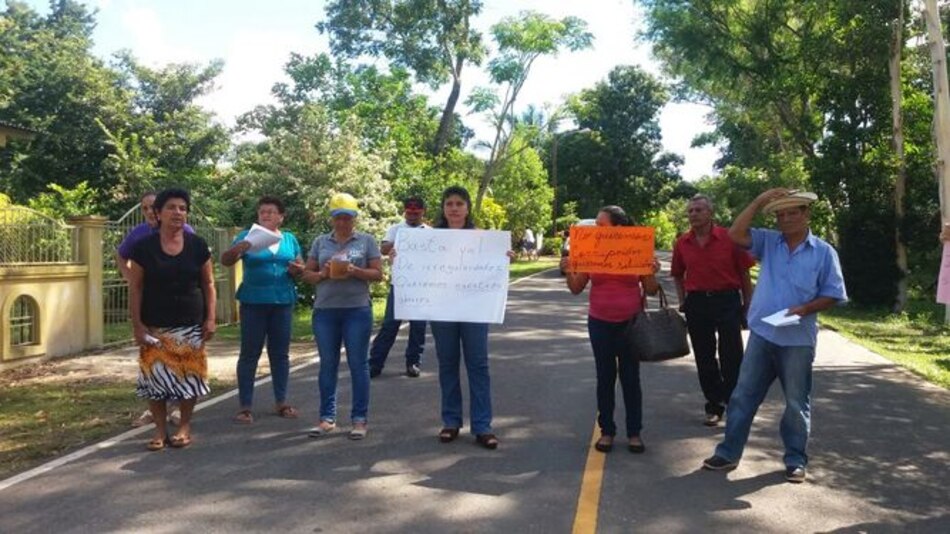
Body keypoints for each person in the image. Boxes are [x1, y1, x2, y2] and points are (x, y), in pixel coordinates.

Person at [702, 188, 847, 483]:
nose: (786, 219)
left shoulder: (823, 252)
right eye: (780, 214)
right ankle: (728, 453)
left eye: (793, 212)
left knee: (796, 403)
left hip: (797, 340)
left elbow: (834, 294)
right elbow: (735, 234)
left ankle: (795, 460)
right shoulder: (769, 242)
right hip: (763, 334)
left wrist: (806, 308)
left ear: (807, 215)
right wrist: (758, 200)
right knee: (743, 396)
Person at [559, 206, 659, 454]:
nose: (596, 229)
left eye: (601, 225)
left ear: (618, 228)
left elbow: (652, 289)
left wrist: (650, 271)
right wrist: (568, 269)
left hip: (630, 324)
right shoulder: (591, 251)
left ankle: (634, 432)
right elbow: (575, 288)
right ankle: (607, 431)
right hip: (600, 322)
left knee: (630, 378)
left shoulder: (636, 249)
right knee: (605, 377)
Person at [128, 188, 216, 451]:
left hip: (191, 324)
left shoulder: (198, 245)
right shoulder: (143, 248)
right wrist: (138, 325)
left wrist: (211, 318)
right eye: (171, 208)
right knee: (155, 380)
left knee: (189, 378)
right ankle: (158, 430)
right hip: (155, 324)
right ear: (158, 213)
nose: (178, 213)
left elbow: (208, 283)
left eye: (182, 208)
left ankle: (184, 426)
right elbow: (136, 288)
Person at [430, 186, 513, 450]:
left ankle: (483, 426)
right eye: (449, 203)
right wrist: (401, 256)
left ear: (467, 208)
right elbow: (419, 270)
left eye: (459, 203)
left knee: (478, 365)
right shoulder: (430, 239)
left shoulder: (482, 238)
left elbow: (494, 266)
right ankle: (451, 421)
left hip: (475, 309)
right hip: (442, 310)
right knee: (447, 364)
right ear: (443, 208)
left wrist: (504, 258)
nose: (454, 208)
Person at [300, 193, 382, 440]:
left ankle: (359, 419)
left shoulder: (366, 241)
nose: (343, 222)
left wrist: (355, 271)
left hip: (357, 309)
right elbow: (307, 275)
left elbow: (378, 274)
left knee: (358, 364)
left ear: (355, 218)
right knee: (328, 364)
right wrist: (324, 273)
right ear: (332, 219)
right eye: (338, 218)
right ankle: (326, 418)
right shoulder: (321, 242)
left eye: (347, 217)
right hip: (325, 310)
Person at [671, 194, 754, 426]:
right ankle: (714, 405)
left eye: (698, 210)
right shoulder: (682, 243)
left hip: (727, 301)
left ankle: (734, 404)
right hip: (697, 303)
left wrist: (748, 304)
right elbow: (677, 273)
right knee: (704, 356)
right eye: (690, 211)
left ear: (710, 213)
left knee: (732, 355)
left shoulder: (729, 238)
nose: (693, 214)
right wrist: (683, 300)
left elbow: (744, 273)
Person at [220, 196, 304, 424]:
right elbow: (225, 260)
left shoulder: (289, 239)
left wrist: (298, 269)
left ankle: (282, 402)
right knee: (250, 353)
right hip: (253, 303)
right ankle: (245, 406)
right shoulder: (247, 236)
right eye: (262, 212)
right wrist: (241, 247)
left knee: (280, 354)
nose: (265, 215)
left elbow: (301, 266)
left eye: (270, 212)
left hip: (282, 302)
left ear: (281, 217)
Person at [116, 191, 193, 428]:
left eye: (153, 207)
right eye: (145, 208)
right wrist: (130, 277)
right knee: (154, 357)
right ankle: (155, 410)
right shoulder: (138, 234)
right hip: (149, 302)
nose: (149, 212)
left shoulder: (185, 232)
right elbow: (121, 255)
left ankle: (179, 406)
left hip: (178, 304)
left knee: (178, 355)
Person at [369, 196, 429, 378]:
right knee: (389, 325)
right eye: (409, 212)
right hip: (400, 285)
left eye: (416, 212)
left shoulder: (430, 232)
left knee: (418, 326)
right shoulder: (396, 229)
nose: (412, 214)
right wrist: (406, 241)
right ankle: (375, 363)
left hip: (422, 286)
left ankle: (413, 362)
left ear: (422, 212)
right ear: (405, 211)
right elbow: (383, 248)